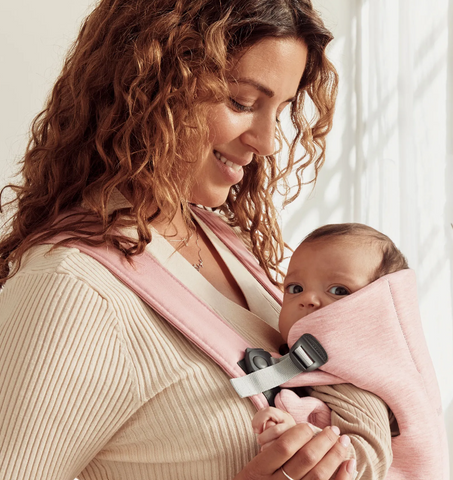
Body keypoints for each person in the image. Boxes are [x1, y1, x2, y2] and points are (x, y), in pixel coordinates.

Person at [0, 0, 361, 479]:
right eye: (242, 103)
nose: (269, 142)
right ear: (148, 86)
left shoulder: (225, 240)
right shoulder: (71, 290)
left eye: (281, 109)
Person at [252, 223, 409, 479]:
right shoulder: (309, 363)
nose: (308, 299)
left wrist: (300, 439)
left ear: (378, 311)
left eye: (339, 290)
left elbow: (368, 459)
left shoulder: (357, 380)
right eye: (295, 288)